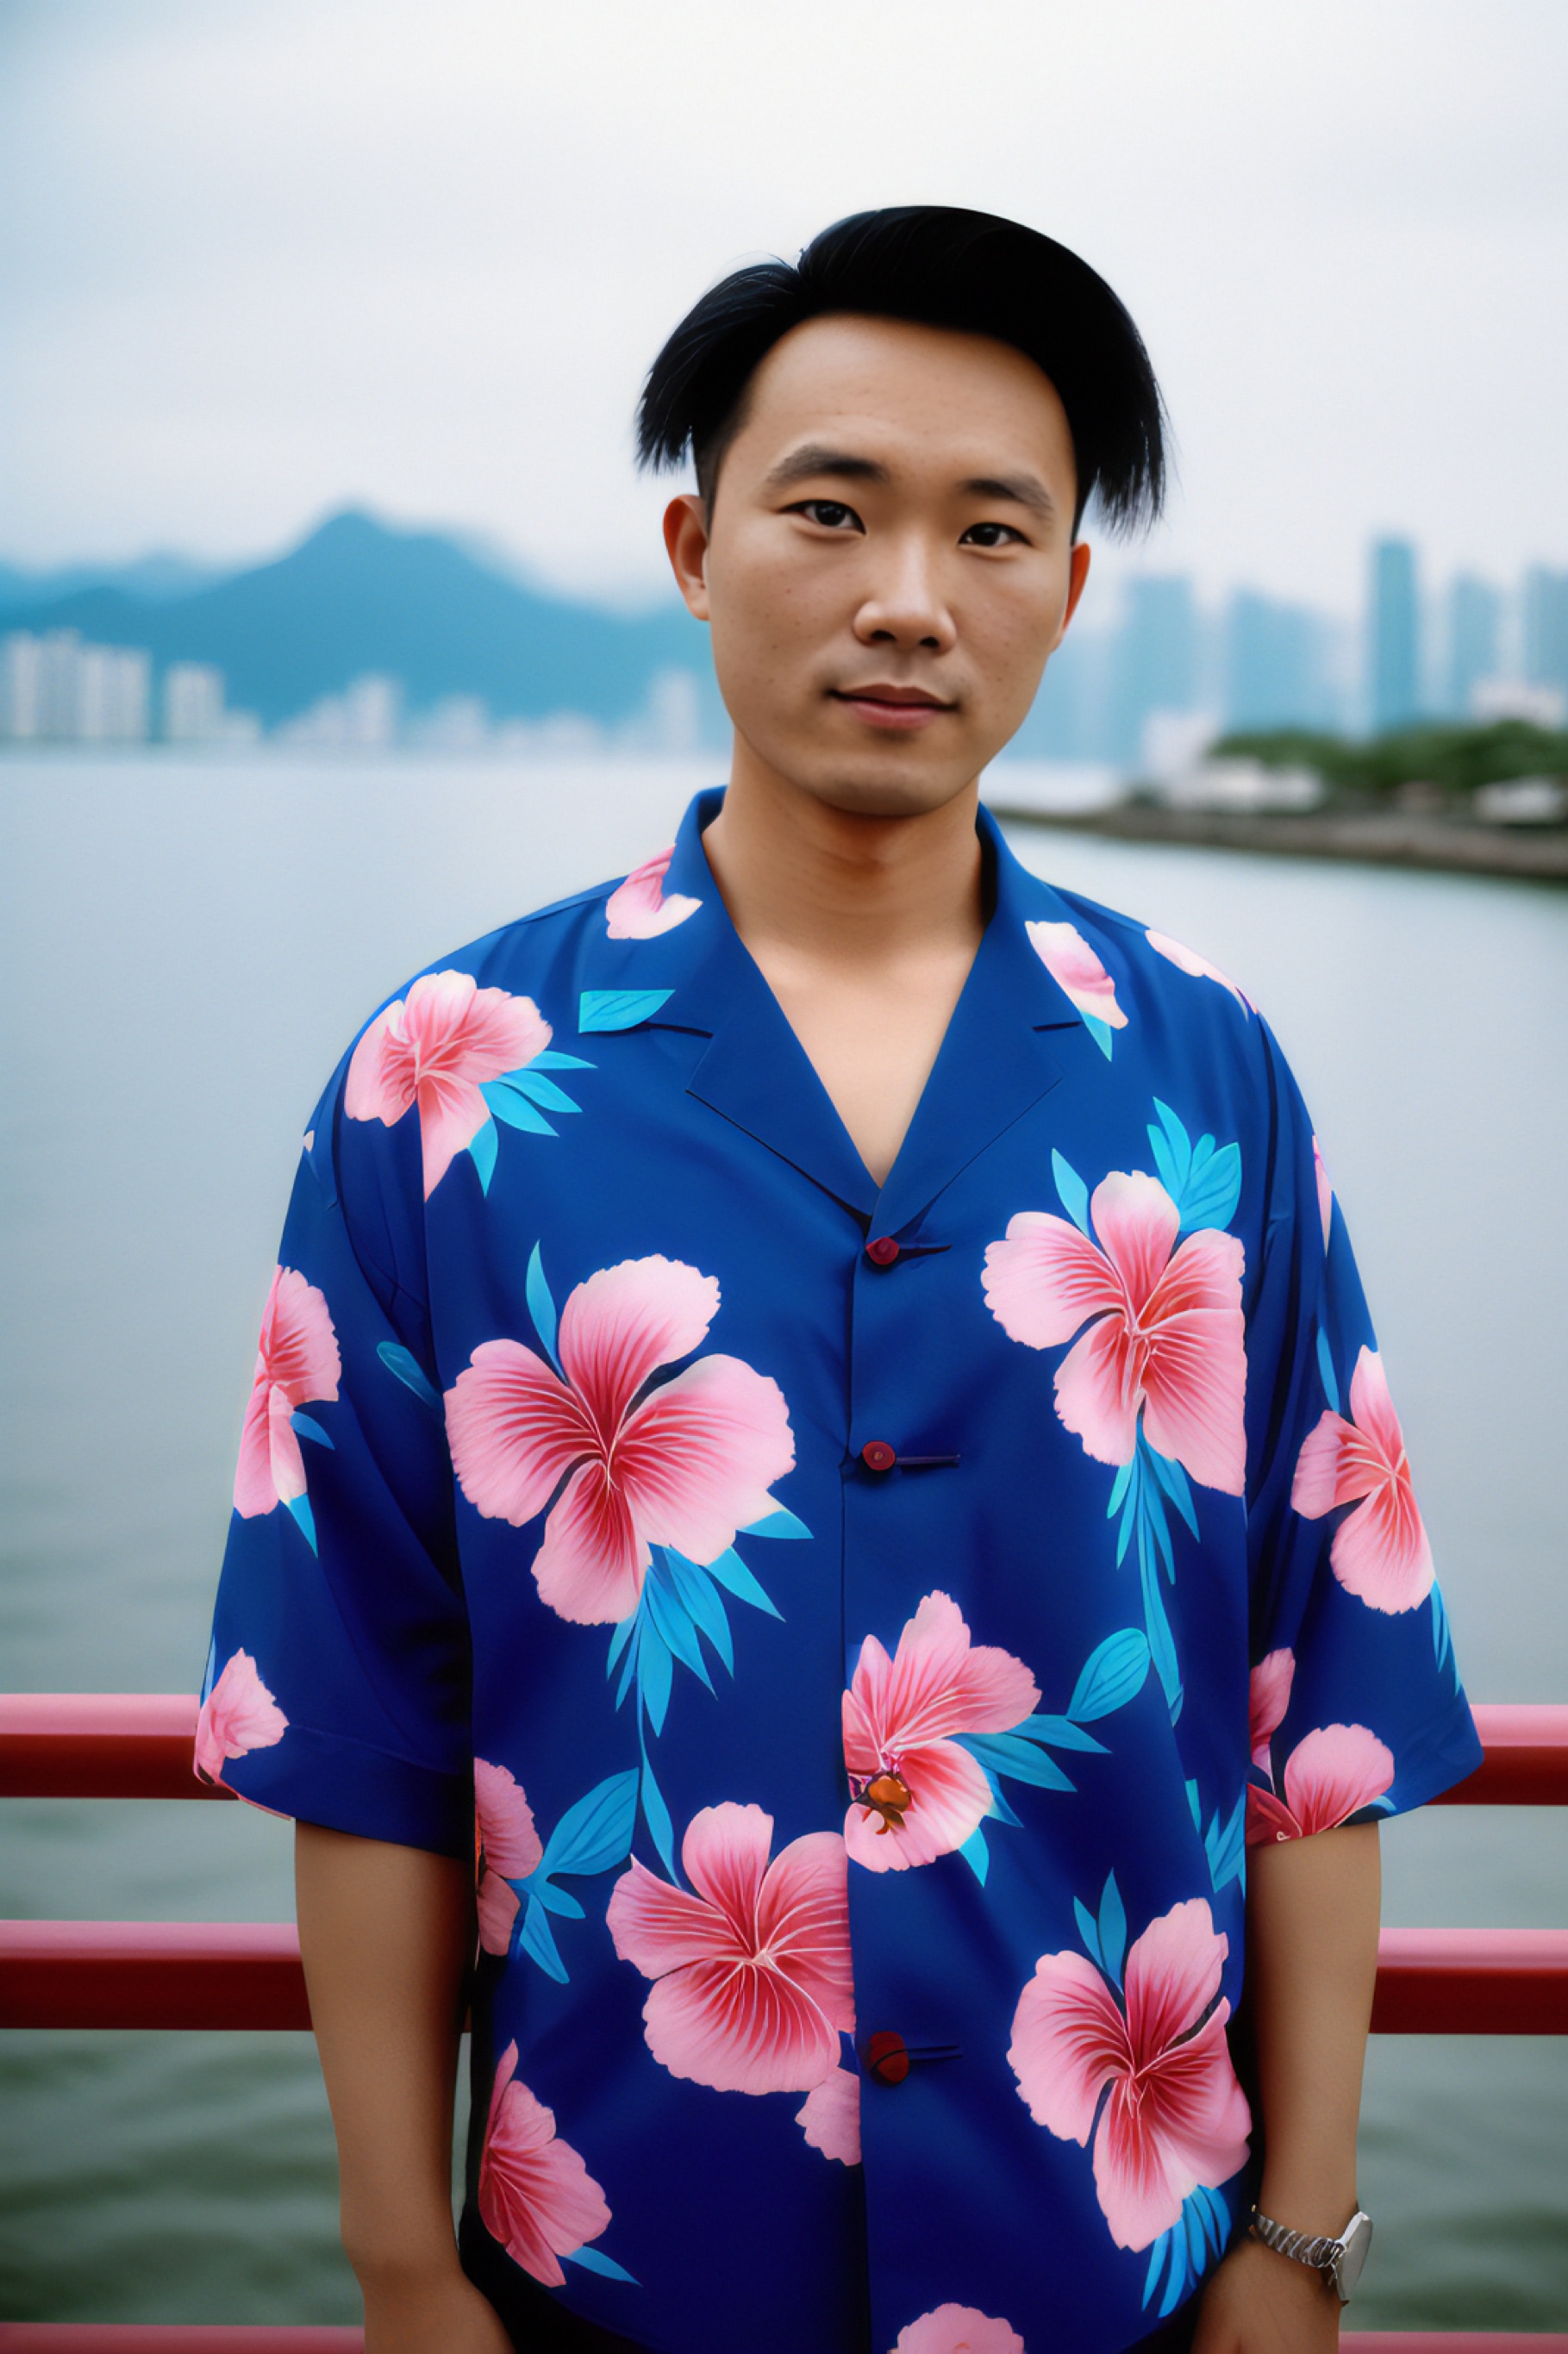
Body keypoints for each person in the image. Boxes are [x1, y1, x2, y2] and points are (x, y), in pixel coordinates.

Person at [199, 207, 1481, 2354]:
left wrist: (1301, 2244)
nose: (907, 597)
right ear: (698, 548)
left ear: (1068, 594)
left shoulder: (1208, 1076)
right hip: (612, 2268)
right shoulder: (445, 1078)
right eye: (830, 510)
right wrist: (401, 2263)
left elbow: (1316, 1713)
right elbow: (357, 1718)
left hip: (1125, 2266)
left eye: (994, 531)